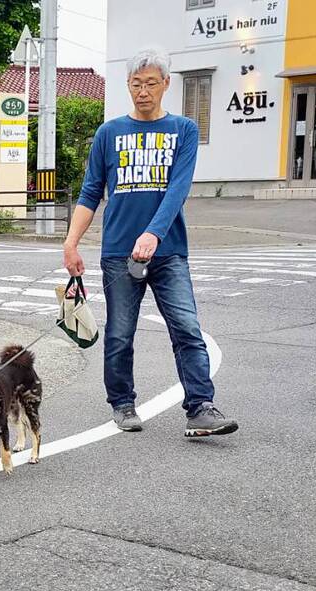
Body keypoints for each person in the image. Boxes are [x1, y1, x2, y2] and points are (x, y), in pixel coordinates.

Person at [62, 47, 239, 438]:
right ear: (128, 86)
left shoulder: (183, 130)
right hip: (119, 252)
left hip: (169, 250)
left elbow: (178, 188)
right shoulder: (109, 133)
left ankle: (201, 408)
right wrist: (71, 243)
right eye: (136, 84)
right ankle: (122, 404)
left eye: (151, 83)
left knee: (187, 327)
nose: (143, 91)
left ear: (166, 85)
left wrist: (154, 233)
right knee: (120, 332)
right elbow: (91, 192)